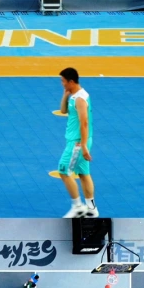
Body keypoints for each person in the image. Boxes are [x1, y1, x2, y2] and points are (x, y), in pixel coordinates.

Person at [54, 67, 96, 217]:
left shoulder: (80, 99)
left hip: (77, 142)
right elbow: (63, 110)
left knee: (63, 171)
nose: (62, 84)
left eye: (63, 81)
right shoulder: (74, 95)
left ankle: (78, 207)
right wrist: (65, 94)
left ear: (71, 81)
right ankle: (91, 208)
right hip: (78, 141)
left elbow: (84, 123)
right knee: (84, 173)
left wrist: (83, 146)